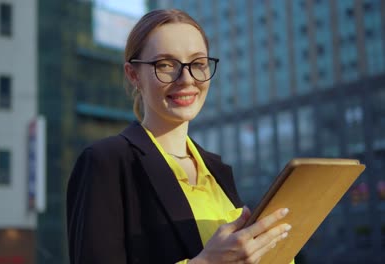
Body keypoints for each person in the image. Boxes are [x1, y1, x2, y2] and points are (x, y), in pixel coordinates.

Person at [67, 9, 292, 264]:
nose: (186, 80)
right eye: (165, 65)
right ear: (133, 75)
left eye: (197, 64)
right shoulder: (106, 162)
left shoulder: (216, 169)